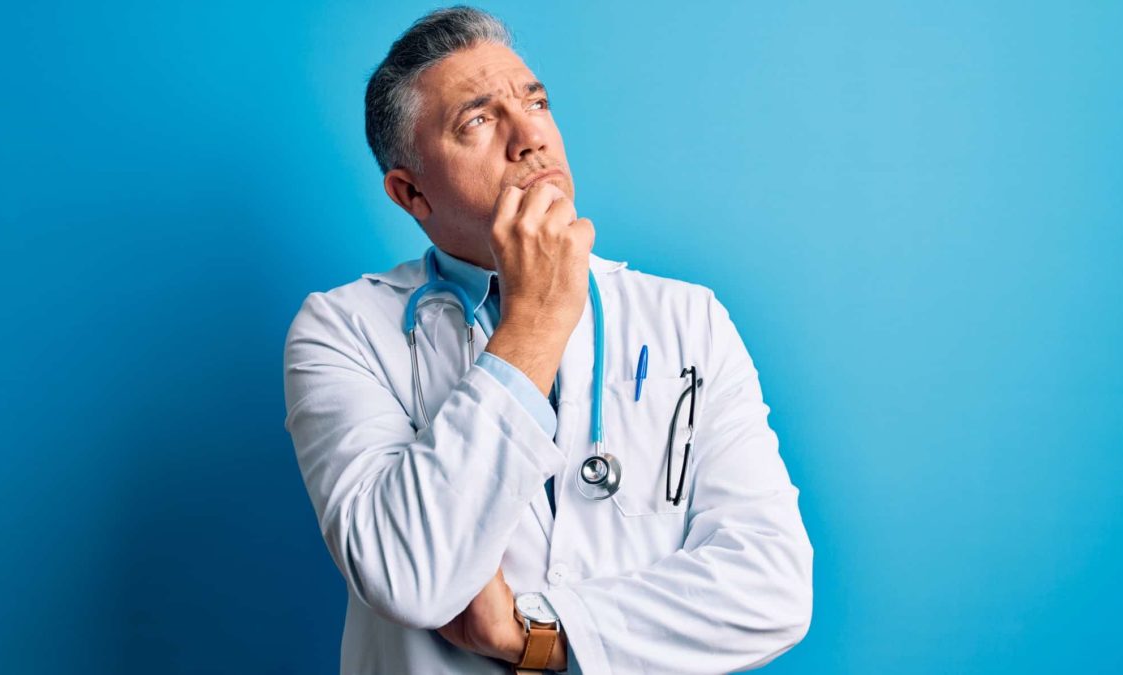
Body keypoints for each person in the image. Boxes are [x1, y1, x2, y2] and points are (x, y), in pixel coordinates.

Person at [283, 6, 813, 674]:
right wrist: (533, 322)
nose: (531, 136)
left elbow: (773, 590)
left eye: (535, 102)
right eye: (478, 120)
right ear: (412, 193)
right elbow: (407, 576)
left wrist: (534, 632)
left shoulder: (688, 318)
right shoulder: (342, 331)